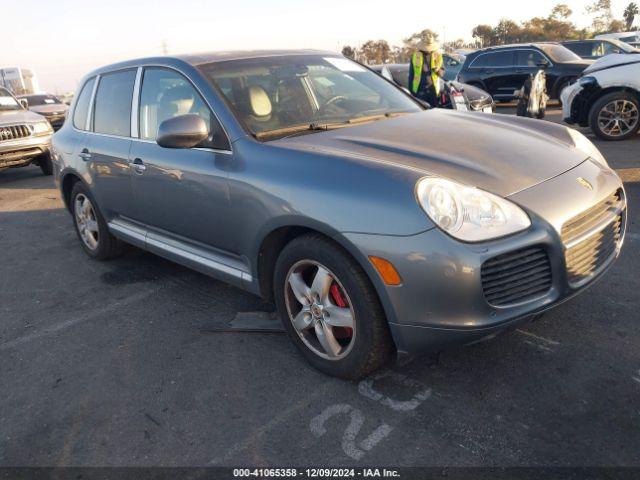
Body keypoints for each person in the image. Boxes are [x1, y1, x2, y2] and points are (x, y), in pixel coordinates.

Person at [408, 38, 445, 106]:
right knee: (422, 114)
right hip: (420, 92)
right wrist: (411, 93)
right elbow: (411, 76)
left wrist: (437, 70)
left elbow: (441, 74)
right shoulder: (415, 56)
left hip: (434, 92)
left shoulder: (438, 56)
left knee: (434, 113)